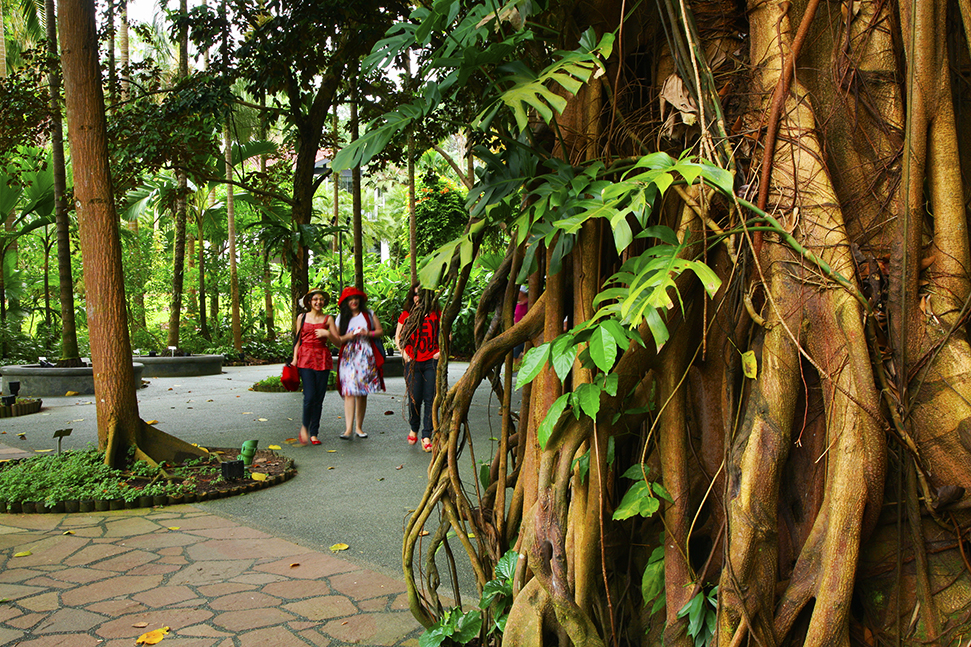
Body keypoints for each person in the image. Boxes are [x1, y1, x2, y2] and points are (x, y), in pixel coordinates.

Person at [334, 286, 385, 440]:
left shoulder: (369, 314)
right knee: (349, 392)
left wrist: (367, 333)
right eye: (350, 299)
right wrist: (348, 336)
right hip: (348, 356)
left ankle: (359, 427)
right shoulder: (341, 317)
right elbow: (336, 341)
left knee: (362, 393)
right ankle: (348, 429)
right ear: (345, 302)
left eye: (356, 298)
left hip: (365, 356)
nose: (354, 301)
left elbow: (380, 331)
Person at [395, 284, 441, 453]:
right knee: (415, 398)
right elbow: (398, 337)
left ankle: (426, 434)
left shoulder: (436, 314)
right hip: (412, 361)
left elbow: (446, 334)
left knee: (430, 398)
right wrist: (404, 353)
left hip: (431, 361)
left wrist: (440, 352)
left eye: (421, 295)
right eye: (415, 295)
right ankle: (414, 427)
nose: (418, 298)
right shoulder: (407, 315)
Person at [291, 289, 334, 446]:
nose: (318, 302)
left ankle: (314, 432)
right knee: (309, 397)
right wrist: (295, 359)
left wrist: (327, 334)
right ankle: (304, 428)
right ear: (309, 301)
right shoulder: (301, 317)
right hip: (305, 359)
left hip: (322, 359)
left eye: (321, 299)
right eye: (315, 299)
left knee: (318, 399)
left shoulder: (328, 319)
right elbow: (298, 339)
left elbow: (338, 342)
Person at [513, 285, 529, 359]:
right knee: (515, 352)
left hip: (525, 331)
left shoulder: (529, 303)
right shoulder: (518, 305)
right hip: (517, 331)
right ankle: (515, 368)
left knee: (518, 350)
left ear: (522, 293)